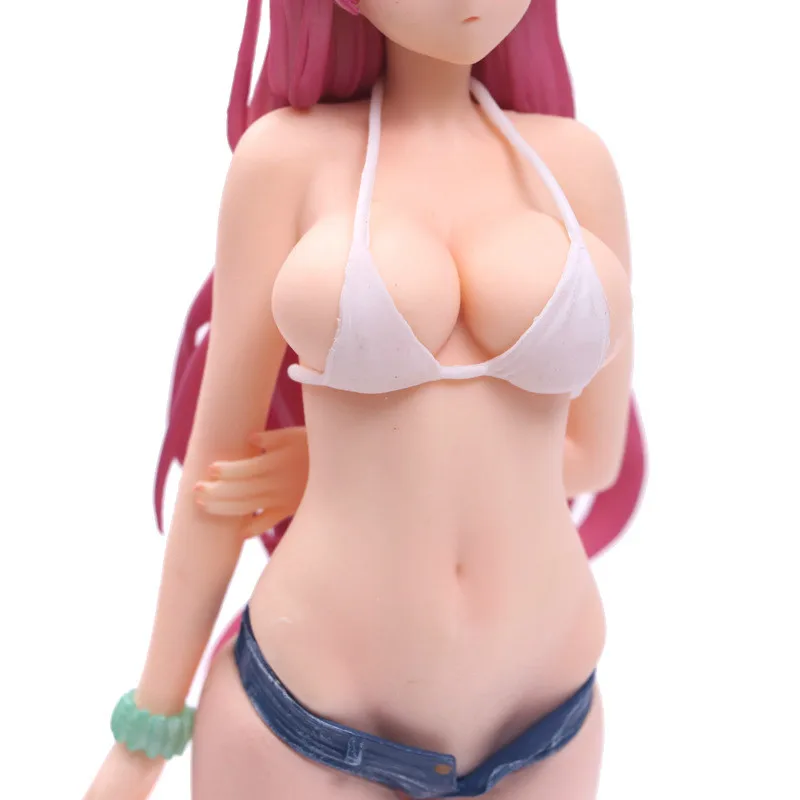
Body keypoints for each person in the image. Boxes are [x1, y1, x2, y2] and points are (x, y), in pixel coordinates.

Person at [85, 1, 645, 798]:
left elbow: (593, 455)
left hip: (545, 721)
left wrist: (334, 463)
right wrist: (146, 735)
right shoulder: (286, 161)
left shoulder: (573, 164)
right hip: (310, 730)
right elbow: (216, 476)